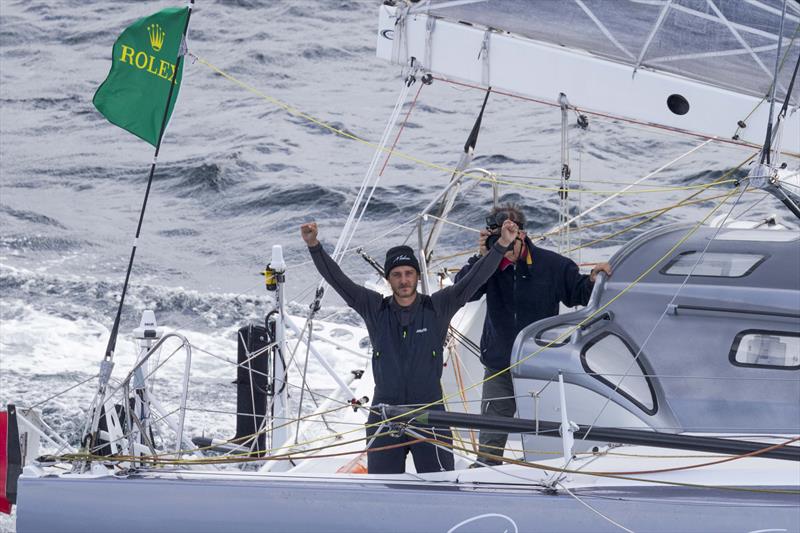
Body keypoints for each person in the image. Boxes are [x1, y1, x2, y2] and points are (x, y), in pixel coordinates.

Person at [301, 219, 519, 474]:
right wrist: (313, 245)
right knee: (384, 492)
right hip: (385, 416)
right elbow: (338, 280)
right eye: (397, 275)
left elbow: (474, 278)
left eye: (408, 273)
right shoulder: (374, 307)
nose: (404, 280)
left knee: (442, 486)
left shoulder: (439, 306)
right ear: (388, 279)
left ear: (416, 275)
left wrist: (503, 243)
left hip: (430, 416)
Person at [454, 204, 612, 466]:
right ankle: (486, 476)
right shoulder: (489, 266)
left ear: (522, 235)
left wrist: (594, 281)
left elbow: (579, 293)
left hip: (541, 366)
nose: (504, 248)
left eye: (508, 238)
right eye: (498, 240)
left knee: (547, 444)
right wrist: (481, 258)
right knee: (489, 450)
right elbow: (462, 292)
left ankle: (548, 478)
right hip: (499, 366)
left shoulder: (553, 266)